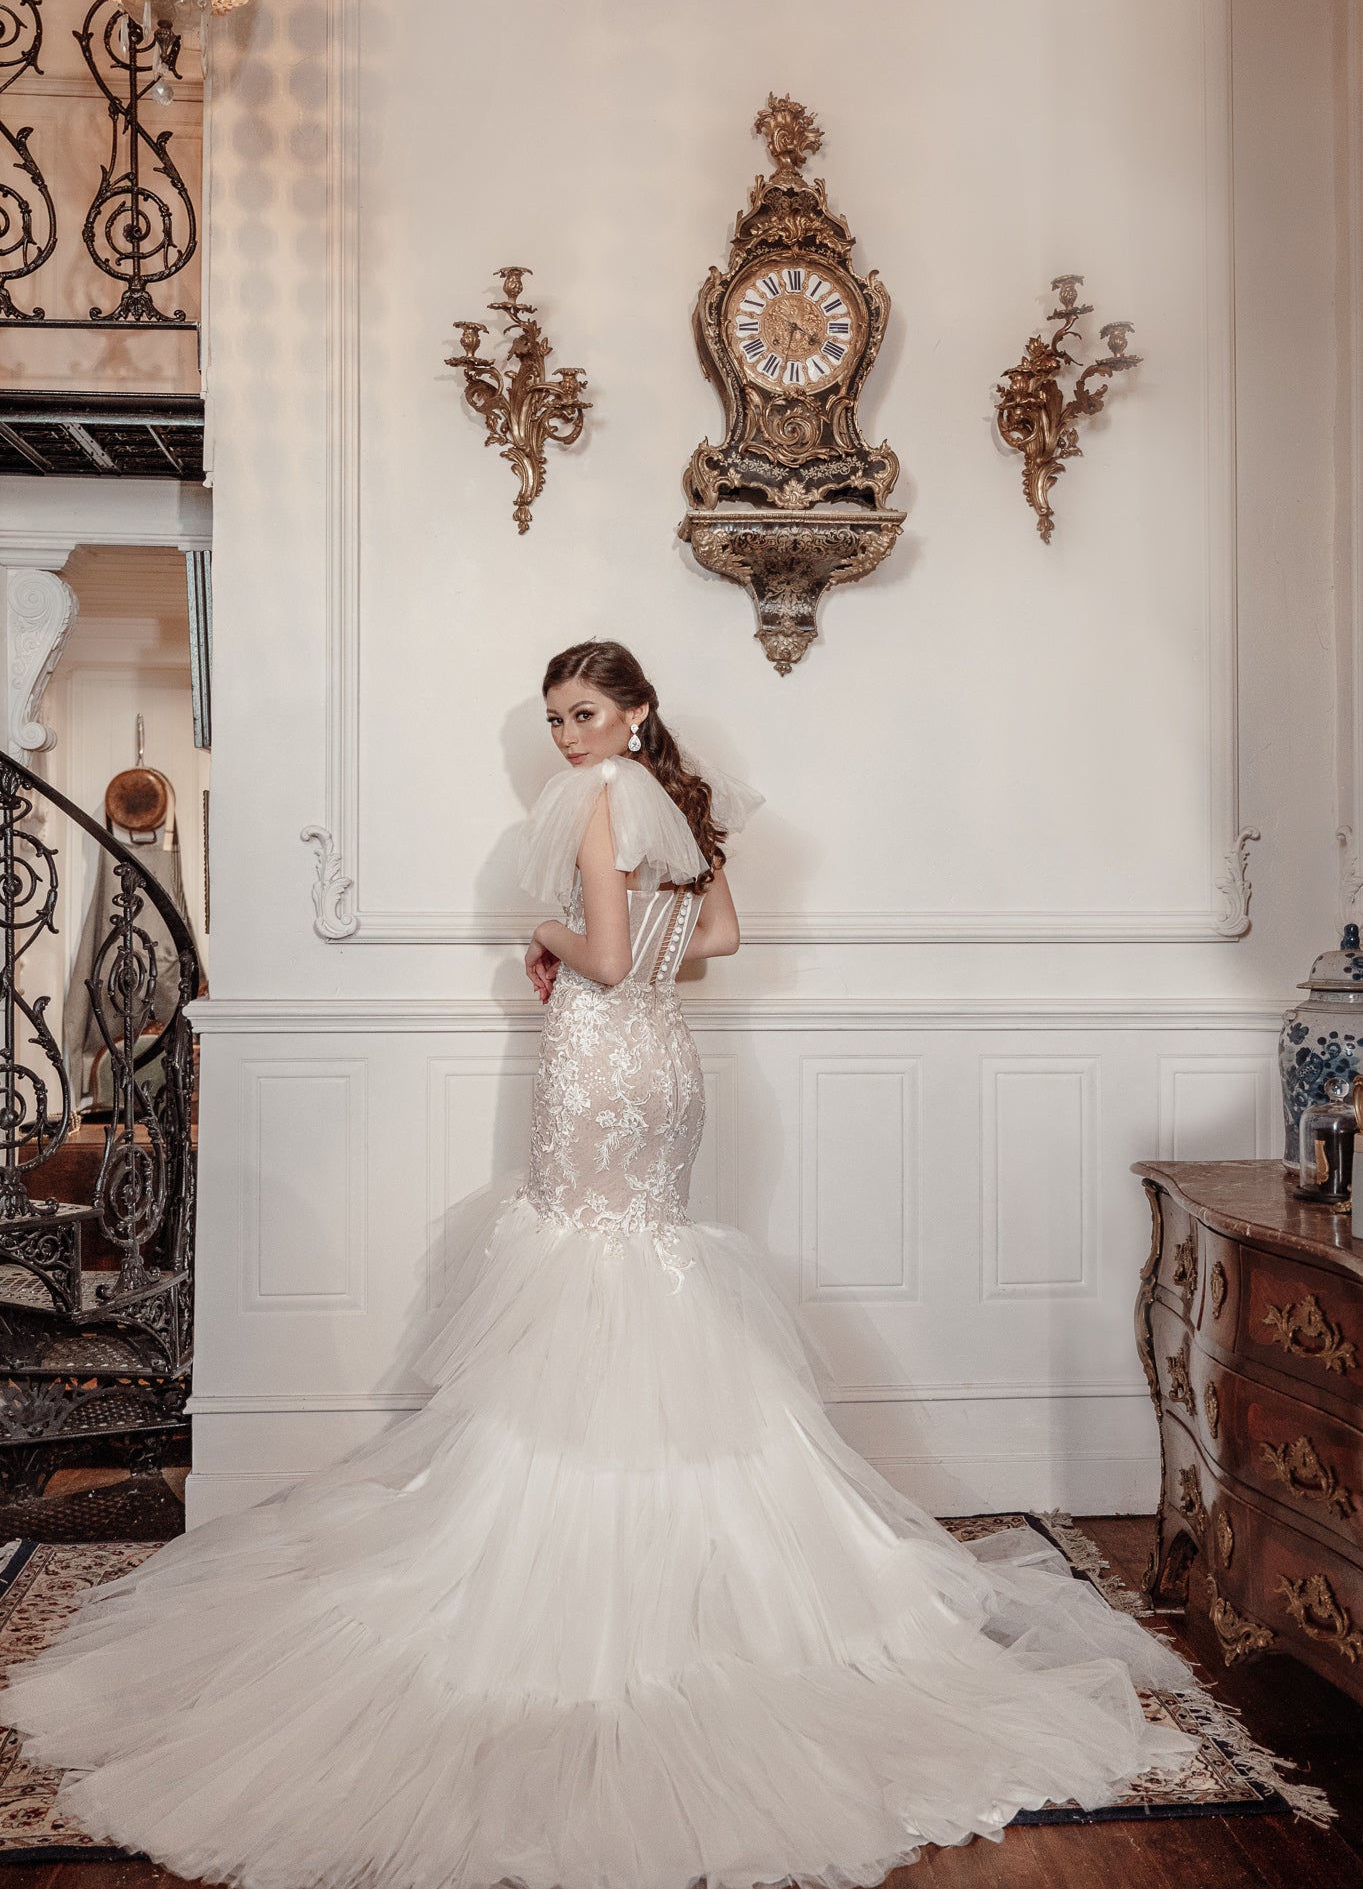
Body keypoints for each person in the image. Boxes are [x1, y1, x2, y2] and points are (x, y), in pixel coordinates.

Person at [0, 638, 1198, 1889]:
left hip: (599, 1066)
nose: (567, 735)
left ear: (634, 712)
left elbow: (612, 959)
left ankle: (576, 1546)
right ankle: (683, 1544)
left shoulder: (597, 800)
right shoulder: (677, 804)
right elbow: (712, 936)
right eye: (557, 717)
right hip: (667, 1071)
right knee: (637, 1269)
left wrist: (545, 930)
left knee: (582, 1268)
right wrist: (600, 942)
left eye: (584, 712)